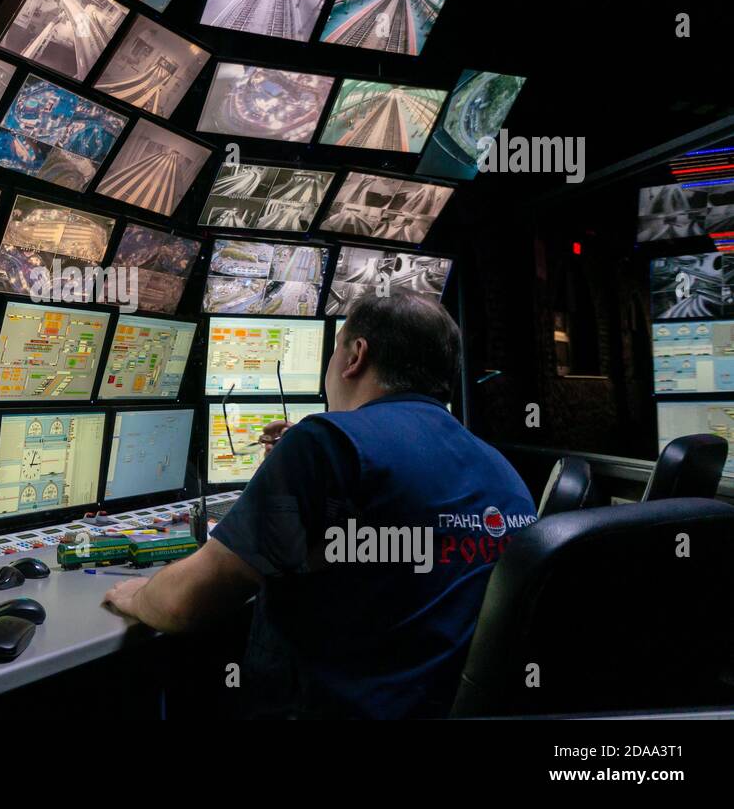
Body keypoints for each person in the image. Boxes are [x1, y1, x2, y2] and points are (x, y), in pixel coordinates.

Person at [103, 292, 537, 718]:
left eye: (333, 352)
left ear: (356, 356)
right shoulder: (503, 474)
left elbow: (186, 602)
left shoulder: (328, 443)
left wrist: (138, 597)